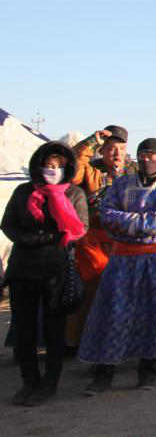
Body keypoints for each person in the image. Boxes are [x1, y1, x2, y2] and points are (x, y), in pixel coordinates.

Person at [78, 138, 156, 394]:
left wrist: (130, 224)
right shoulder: (120, 184)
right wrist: (146, 225)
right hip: (123, 261)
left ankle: (149, 370)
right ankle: (104, 373)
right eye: (143, 155)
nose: (147, 160)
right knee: (113, 314)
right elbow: (107, 215)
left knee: (155, 314)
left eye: (152, 156)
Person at [1, 143, 87, 406]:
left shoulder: (73, 194)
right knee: (25, 331)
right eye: (48, 165)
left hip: (55, 272)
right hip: (22, 269)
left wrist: (48, 238)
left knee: (53, 330)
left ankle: (50, 383)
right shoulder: (24, 191)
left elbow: (80, 227)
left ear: (66, 168)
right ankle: (29, 381)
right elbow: (8, 223)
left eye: (58, 166)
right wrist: (30, 238)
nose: (52, 170)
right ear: (38, 166)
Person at [66, 125, 132, 356]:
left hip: (125, 241)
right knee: (91, 293)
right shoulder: (91, 170)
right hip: (94, 242)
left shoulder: (133, 172)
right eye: (111, 148)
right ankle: (77, 342)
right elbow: (72, 170)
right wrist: (91, 141)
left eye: (121, 149)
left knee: (125, 293)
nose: (117, 154)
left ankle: (123, 342)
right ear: (101, 151)